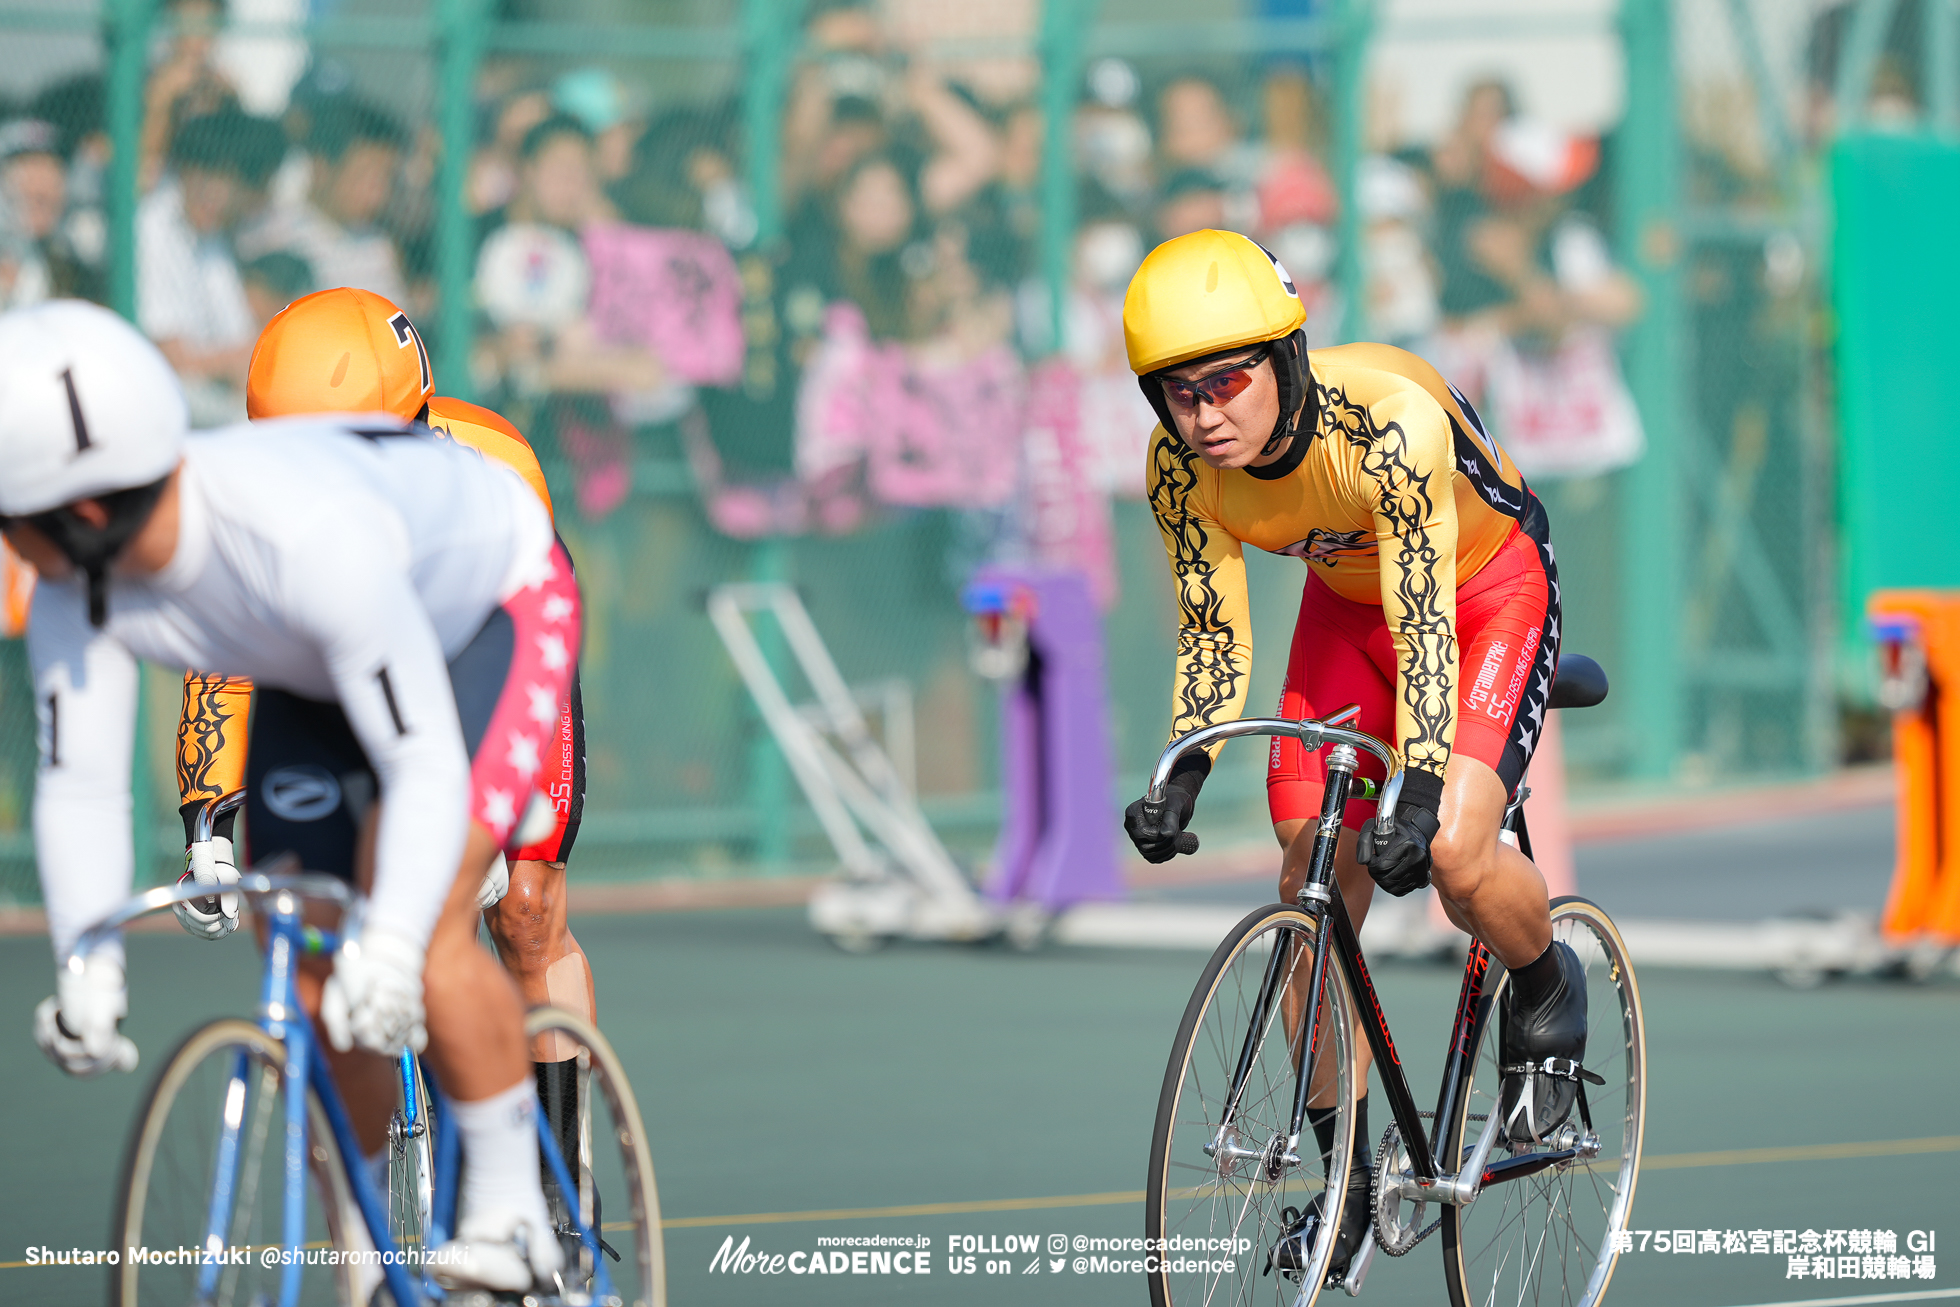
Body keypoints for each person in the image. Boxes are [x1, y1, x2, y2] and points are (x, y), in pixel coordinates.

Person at [3, 299, 577, 1292]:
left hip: (490, 607)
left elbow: (424, 764)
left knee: (427, 928)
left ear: (83, 512)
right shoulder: (74, 584)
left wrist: (393, 941)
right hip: (322, 660)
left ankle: (516, 1213)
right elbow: (82, 781)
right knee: (313, 962)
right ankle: (366, 1250)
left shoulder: (303, 537)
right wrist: (85, 965)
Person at [1118, 229, 1588, 1286]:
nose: (1205, 415)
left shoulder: (1386, 424)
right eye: (1175, 393)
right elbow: (1211, 630)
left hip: (1480, 596)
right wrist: (1180, 768)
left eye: (1227, 381)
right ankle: (1346, 1184)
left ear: (1285, 359)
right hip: (1346, 612)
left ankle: (1549, 988)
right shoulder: (1177, 468)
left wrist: (1418, 793)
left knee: (1459, 855)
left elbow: (1426, 622)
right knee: (1309, 882)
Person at [173, 287, 595, 1228]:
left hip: (490, 641)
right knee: (321, 924)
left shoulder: (490, 465)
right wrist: (208, 819)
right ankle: (365, 1236)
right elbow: (227, 646)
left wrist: (496, 819)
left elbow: (513, 641)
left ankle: (552, 1189)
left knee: (517, 912)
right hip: (343, 665)